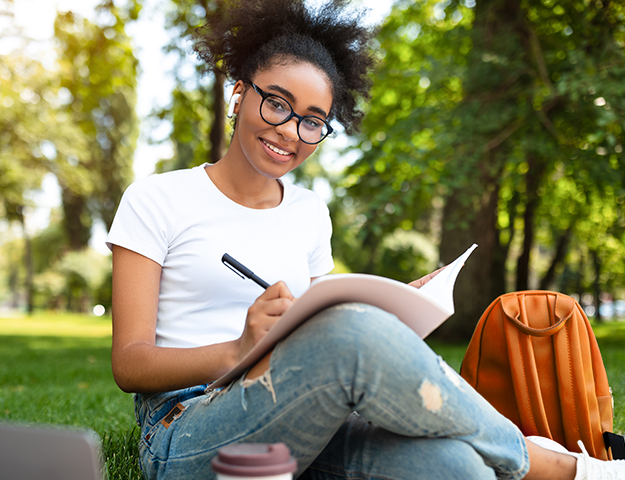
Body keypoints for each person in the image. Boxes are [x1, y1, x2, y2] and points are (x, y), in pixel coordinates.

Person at [106, 1, 625, 479]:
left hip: (301, 410)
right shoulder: (157, 198)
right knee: (352, 335)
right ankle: (560, 467)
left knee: (455, 466)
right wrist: (239, 349)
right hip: (185, 427)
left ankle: (526, 457)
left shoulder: (309, 212)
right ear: (240, 91)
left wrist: (396, 305)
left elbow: (321, 328)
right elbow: (130, 364)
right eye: (277, 105)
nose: (291, 132)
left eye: (313, 122)